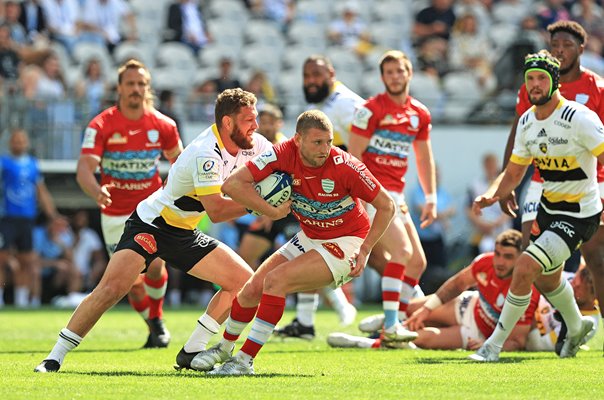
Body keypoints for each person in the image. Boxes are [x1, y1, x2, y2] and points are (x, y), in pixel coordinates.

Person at [33, 88, 275, 373]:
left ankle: (192, 349)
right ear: (228, 123)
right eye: (249, 120)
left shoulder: (255, 144)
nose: (256, 126)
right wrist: (263, 205)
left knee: (244, 282)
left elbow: (281, 161)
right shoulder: (204, 152)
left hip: (183, 231)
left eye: (255, 118)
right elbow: (217, 211)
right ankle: (54, 357)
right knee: (112, 289)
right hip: (152, 225)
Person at [188, 109, 395, 375]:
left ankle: (243, 362)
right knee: (252, 289)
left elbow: (386, 206)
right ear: (298, 140)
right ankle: (224, 348)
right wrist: (271, 210)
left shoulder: (346, 166)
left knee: (276, 282)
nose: (325, 149)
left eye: (329, 141)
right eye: (317, 142)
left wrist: (365, 249)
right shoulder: (282, 153)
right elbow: (232, 185)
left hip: (345, 242)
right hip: (310, 236)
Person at [470, 50, 604, 362]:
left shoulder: (580, 118)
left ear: (555, 81)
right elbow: (515, 171)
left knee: (526, 266)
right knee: (546, 277)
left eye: (542, 78)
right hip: (549, 210)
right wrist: (493, 194)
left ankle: (493, 345)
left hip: (580, 214)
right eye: (530, 78)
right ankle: (576, 324)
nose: (535, 84)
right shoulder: (528, 121)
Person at [501, 21, 604, 331]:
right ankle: (567, 324)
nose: (560, 50)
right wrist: (506, 181)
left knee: (596, 258)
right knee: (532, 259)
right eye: (555, 45)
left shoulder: (596, 88)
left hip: (591, 181)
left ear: (581, 50)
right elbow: (518, 130)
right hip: (542, 181)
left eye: (567, 45)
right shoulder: (533, 85)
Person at [74, 59, 183, 349]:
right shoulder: (102, 124)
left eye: (141, 84)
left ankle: (157, 321)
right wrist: (96, 191)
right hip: (115, 214)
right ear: (120, 88)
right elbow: (85, 167)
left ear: (148, 88)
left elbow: (181, 164)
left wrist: (176, 195)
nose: (136, 89)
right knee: (130, 283)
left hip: (151, 210)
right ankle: (151, 324)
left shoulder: (164, 125)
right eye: (130, 84)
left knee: (157, 266)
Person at [348, 50, 436, 341]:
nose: (395, 77)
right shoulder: (371, 110)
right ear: (382, 77)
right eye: (389, 72)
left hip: (396, 194)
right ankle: (391, 324)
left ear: (409, 73)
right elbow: (354, 157)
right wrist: (359, 197)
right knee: (402, 253)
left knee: (417, 263)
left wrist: (431, 197)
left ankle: (392, 320)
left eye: (400, 71)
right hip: (374, 193)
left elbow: (424, 158)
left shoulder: (419, 113)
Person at [329, 230, 539, 351]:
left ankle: (362, 343)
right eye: (498, 254)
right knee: (413, 310)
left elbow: (518, 341)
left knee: (421, 338)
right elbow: (457, 284)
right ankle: (387, 321)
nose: (500, 262)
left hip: (481, 333)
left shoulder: (527, 292)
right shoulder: (485, 262)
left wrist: (487, 345)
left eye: (508, 257)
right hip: (470, 305)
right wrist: (427, 310)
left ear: (521, 259)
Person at [273, 55, 363, 338]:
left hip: (355, 196)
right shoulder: (320, 106)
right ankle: (305, 321)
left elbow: (365, 142)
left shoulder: (345, 103)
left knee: (390, 257)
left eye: (316, 74)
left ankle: (411, 315)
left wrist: (358, 181)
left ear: (331, 73)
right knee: (314, 249)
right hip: (329, 196)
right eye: (306, 75)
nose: (310, 80)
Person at [0, 128, 58, 308]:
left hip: (27, 218)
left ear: (26, 143)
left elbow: (41, 192)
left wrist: (53, 215)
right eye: (15, 141)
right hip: (7, 217)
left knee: (26, 260)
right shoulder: (3, 163)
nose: (18, 144)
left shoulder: (33, 164)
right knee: (2, 258)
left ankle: (21, 300)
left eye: (21, 141)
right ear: (10, 143)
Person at [237, 104, 298, 270]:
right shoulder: (252, 148)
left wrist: (271, 213)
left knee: (304, 264)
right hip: (266, 213)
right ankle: (255, 293)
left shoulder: (287, 148)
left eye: (271, 122)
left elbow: (296, 184)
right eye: (263, 122)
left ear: (280, 124)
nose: (266, 126)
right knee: (244, 257)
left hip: (290, 213)